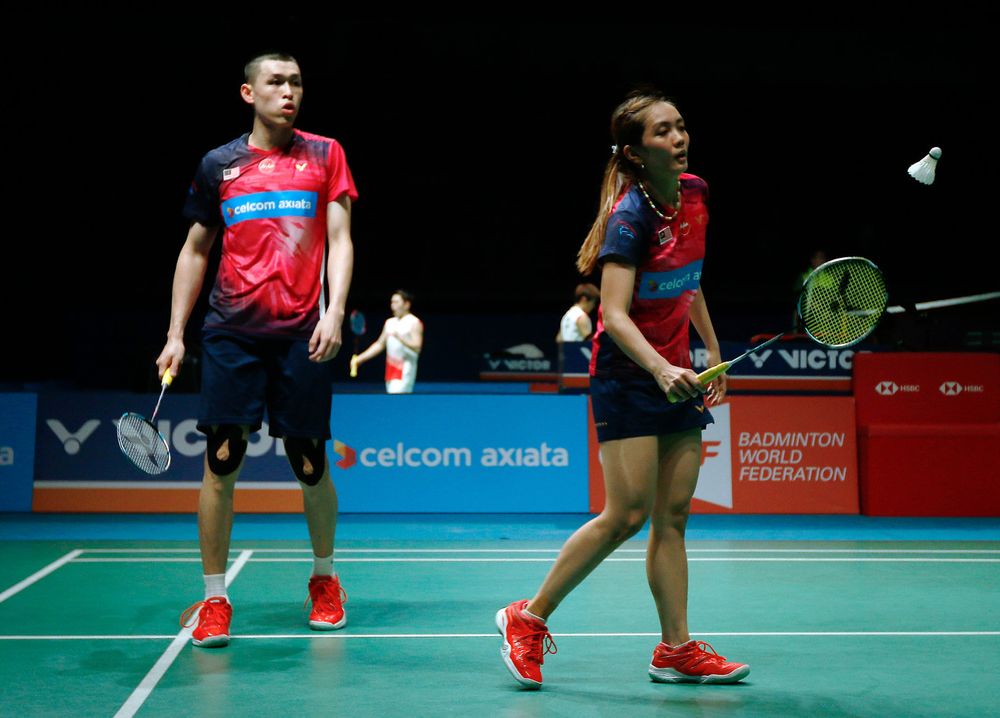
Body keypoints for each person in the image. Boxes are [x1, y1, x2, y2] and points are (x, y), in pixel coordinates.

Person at [496, 89, 749, 688]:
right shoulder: (629, 217)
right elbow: (615, 311)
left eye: (682, 126)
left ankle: (676, 648)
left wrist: (710, 346)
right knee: (627, 514)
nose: (680, 138)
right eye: (664, 132)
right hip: (628, 374)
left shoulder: (696, 194)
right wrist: (662, 369)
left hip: (677, 370)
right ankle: (527, 618)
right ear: (636, 153)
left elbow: (691, 281)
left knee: (675, 516)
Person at [157, 52, 358, 648]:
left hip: (302, 331)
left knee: (310, 461)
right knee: (221, 462)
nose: (289, 91)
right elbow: (195, 250)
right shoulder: (219, 165)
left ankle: (324, 579)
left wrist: (336, 310)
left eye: (296, 81)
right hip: (230, 332)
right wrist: (175, 333)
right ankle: (214, 596)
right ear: (248, 92)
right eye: (276, 82)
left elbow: (342, 239)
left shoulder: (326, 154)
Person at [350, 290, 423, 393]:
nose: (393, 305)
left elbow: (417, 347)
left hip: (405, 372)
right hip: (390, 372)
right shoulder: (389, 323)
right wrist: (360, 359)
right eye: (392, 302)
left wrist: (400, 338)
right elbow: (379, 344)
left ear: (407, 304)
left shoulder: (414, 322)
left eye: (396, 302)